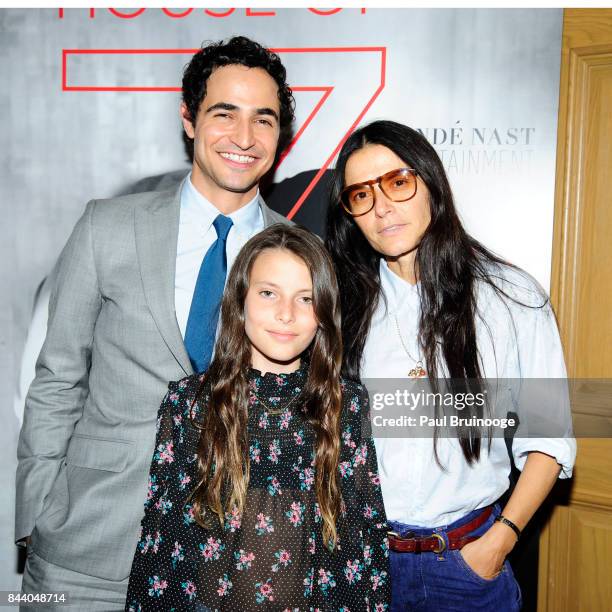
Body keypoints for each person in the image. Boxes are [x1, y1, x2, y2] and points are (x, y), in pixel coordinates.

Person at [16, 36, 294, 609]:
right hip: (88, 548)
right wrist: (36, 513)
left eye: (262, 120)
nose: (244, 139)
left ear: (279, 134)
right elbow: (57, 378)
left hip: (232, 561)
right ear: (189, 119)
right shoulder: (107, 227)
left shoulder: (298, 253)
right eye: (225, 114)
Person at [325, 120, 576, 611]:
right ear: (351, 214)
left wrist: (499, 542)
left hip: (467, 565)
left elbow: (550, 438)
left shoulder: (511, 297)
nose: (382, 207)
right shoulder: (337, 305)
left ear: (430, 184)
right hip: (357, 566)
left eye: (398, 183)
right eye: (361, 195)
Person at [125, 224, 391, 611]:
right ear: (240, 300)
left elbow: (364, 544)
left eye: (305, 298)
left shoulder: (345, 404)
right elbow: (160, 546)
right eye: (269, 293)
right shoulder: (188, 403)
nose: (286, 314)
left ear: (323, 312)